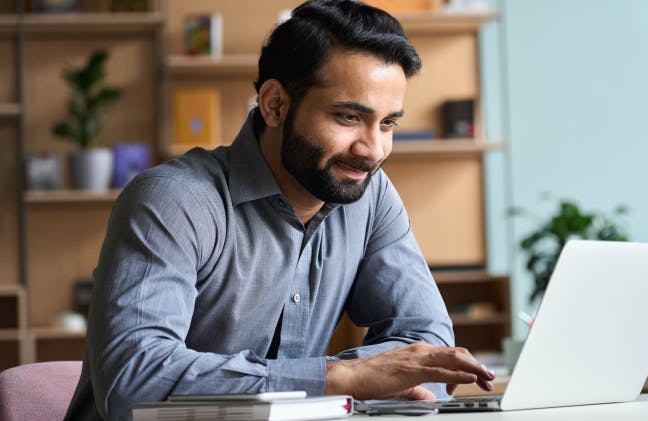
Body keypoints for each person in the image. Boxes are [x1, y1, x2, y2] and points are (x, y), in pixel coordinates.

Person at [65, 1, 495, 419]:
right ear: (274, 105)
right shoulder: (172, 201)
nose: (373, 150)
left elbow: (428, 342)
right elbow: (134, 383)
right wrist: (342, 377)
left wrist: (360, 379)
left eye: (387, 124)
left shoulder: (371, 195)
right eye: (348, 117)